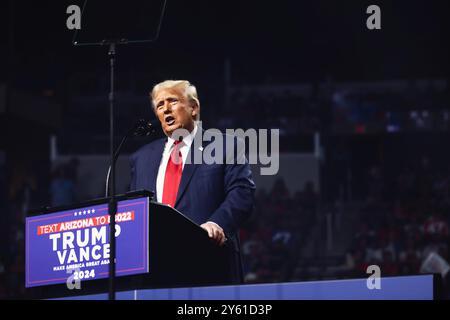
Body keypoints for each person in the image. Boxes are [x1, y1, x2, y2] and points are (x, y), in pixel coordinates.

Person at [129, 80, 256, 283]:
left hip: (210, 262)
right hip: (156, 271)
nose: (166, 109)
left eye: (173, 101)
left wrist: (217, 223)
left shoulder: (225, 146)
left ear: (194, 108)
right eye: (160, 105)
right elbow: (136, 211)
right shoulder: (141, 158)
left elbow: (242, 192)